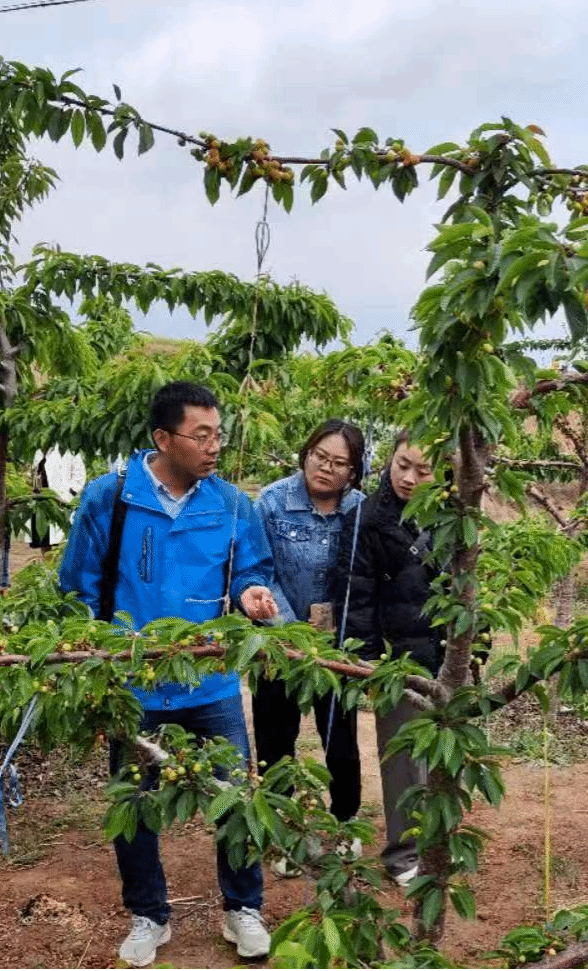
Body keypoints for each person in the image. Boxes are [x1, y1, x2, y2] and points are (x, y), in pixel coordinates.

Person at [57, 381, 277, 968]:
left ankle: (243, 907)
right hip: (135, 686)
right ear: (163, 438)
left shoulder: (231, 503)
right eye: (201, 435)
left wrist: (252, 595)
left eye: (219, 434)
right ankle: (149, 914)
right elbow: (77, 586)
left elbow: (251, 570)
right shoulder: (111, 497)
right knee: (135, 803)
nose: (214, 446)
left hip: (211, 684)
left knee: (235, 796)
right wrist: (94, 656)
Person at [251, 420, 366, 870]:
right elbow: (259, 570)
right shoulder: (272, 502)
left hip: (337, 650)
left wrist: (345, 637)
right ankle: (282, 834)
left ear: (353, 472)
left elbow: (363, 577)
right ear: (306, 453)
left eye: (339, 463)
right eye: (320, 456)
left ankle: (344, 823)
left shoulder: (360, 510)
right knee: (275, 740)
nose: (326, 468)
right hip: (277, 645)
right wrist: (291, 633)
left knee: (341, 740)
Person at [332, 430, 441, 887]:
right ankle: (404, 854)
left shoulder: (454, 517)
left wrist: (473, 648)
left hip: (444, 655)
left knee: (444, 756)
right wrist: (369, 659)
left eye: (423, 470)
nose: (409, 478)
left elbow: (474, 587)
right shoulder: (368, 518)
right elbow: (355, 595)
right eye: (402, 465)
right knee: (403, 760)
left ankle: (437, 844)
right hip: (398, 660)